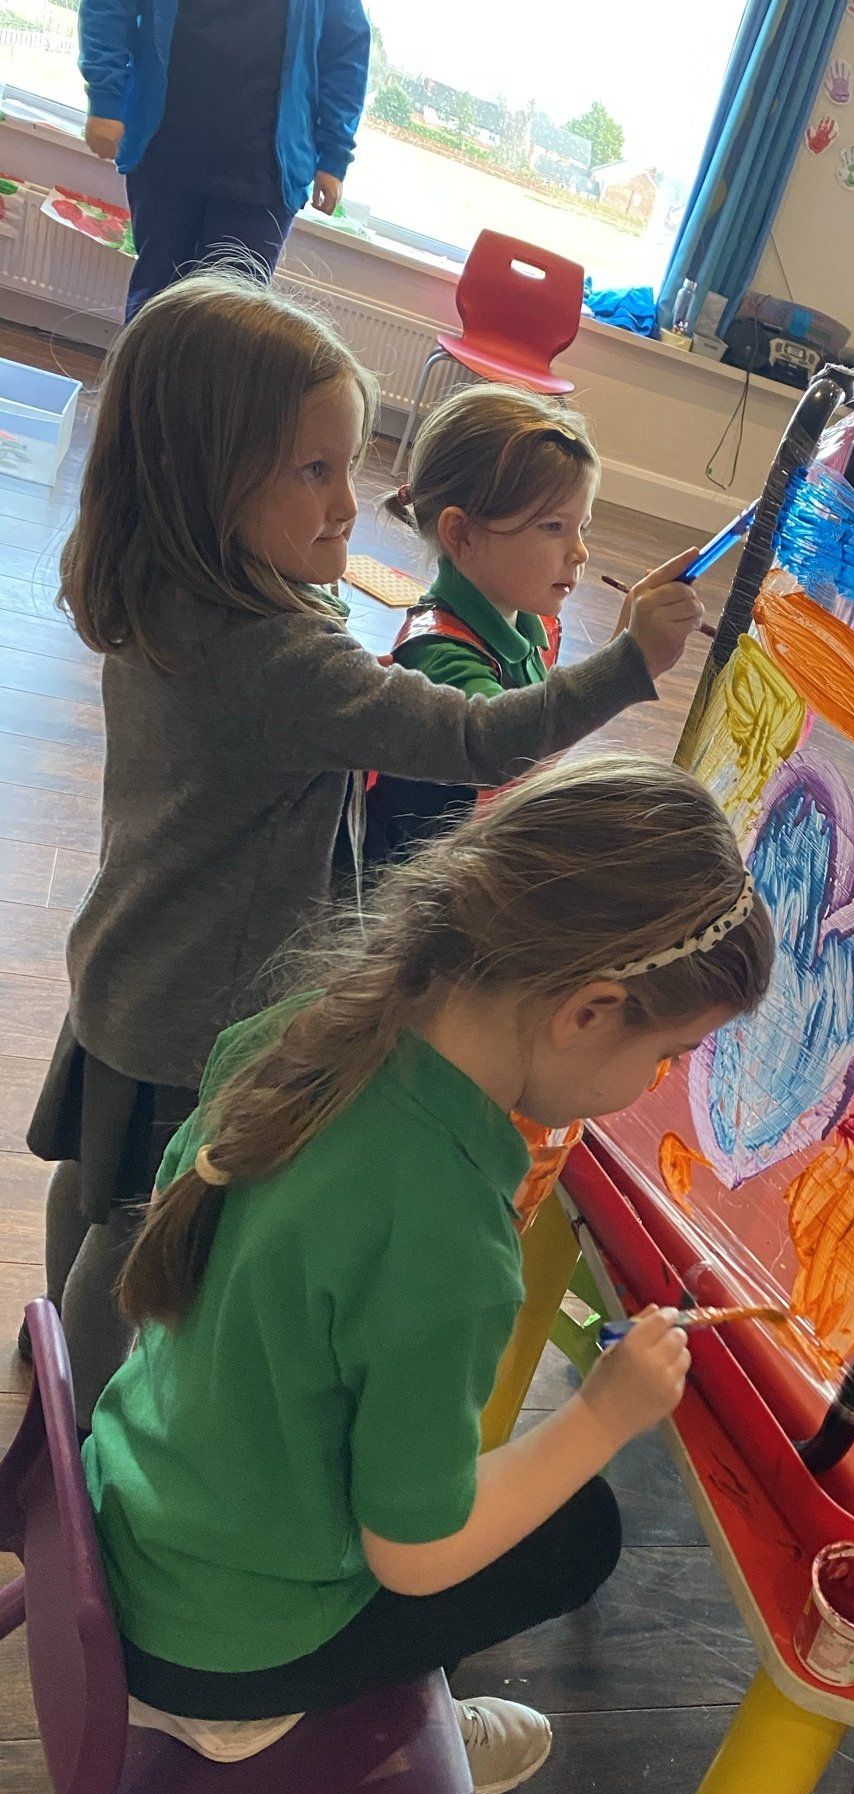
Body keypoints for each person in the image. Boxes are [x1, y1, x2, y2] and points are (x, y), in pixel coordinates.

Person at [25, 271, 702, 1420]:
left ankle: (43, 1355)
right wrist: (629, 662)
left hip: (126, 958)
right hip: (198, 1012)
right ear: (202, 477)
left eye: (353, 463)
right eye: (313, 471)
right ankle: (75, 1431)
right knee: (141, 1225)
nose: (352, 502)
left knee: (94, 1180)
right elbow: (477, 737)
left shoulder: (161, 587)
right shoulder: (279, 660)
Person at [86, 758, 775, 1787]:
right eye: (668, 1053)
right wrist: (603, 1414)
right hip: (218, 1643)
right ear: (589, 1010)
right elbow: (417, 1557)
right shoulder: (448, 1239)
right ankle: (317, 1726)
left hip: (131, 1500)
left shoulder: (308, 1028)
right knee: (579, 1534)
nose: (657, 1081)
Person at [363, 384, 598, 866]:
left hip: (478, 853)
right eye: (554, 527)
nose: (580, 552)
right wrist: (630, 658)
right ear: (462, 534)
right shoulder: (438, 654)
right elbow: (512, 754)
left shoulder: (535, 623)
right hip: (419, 882)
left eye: (583, 527)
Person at [78, 0, 371, 318]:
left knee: (229, 320)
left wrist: (334, 154)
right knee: (155, 304)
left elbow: (346, 50)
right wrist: (105, 99)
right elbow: (108, 6)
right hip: (165, 149)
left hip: (266, 169)